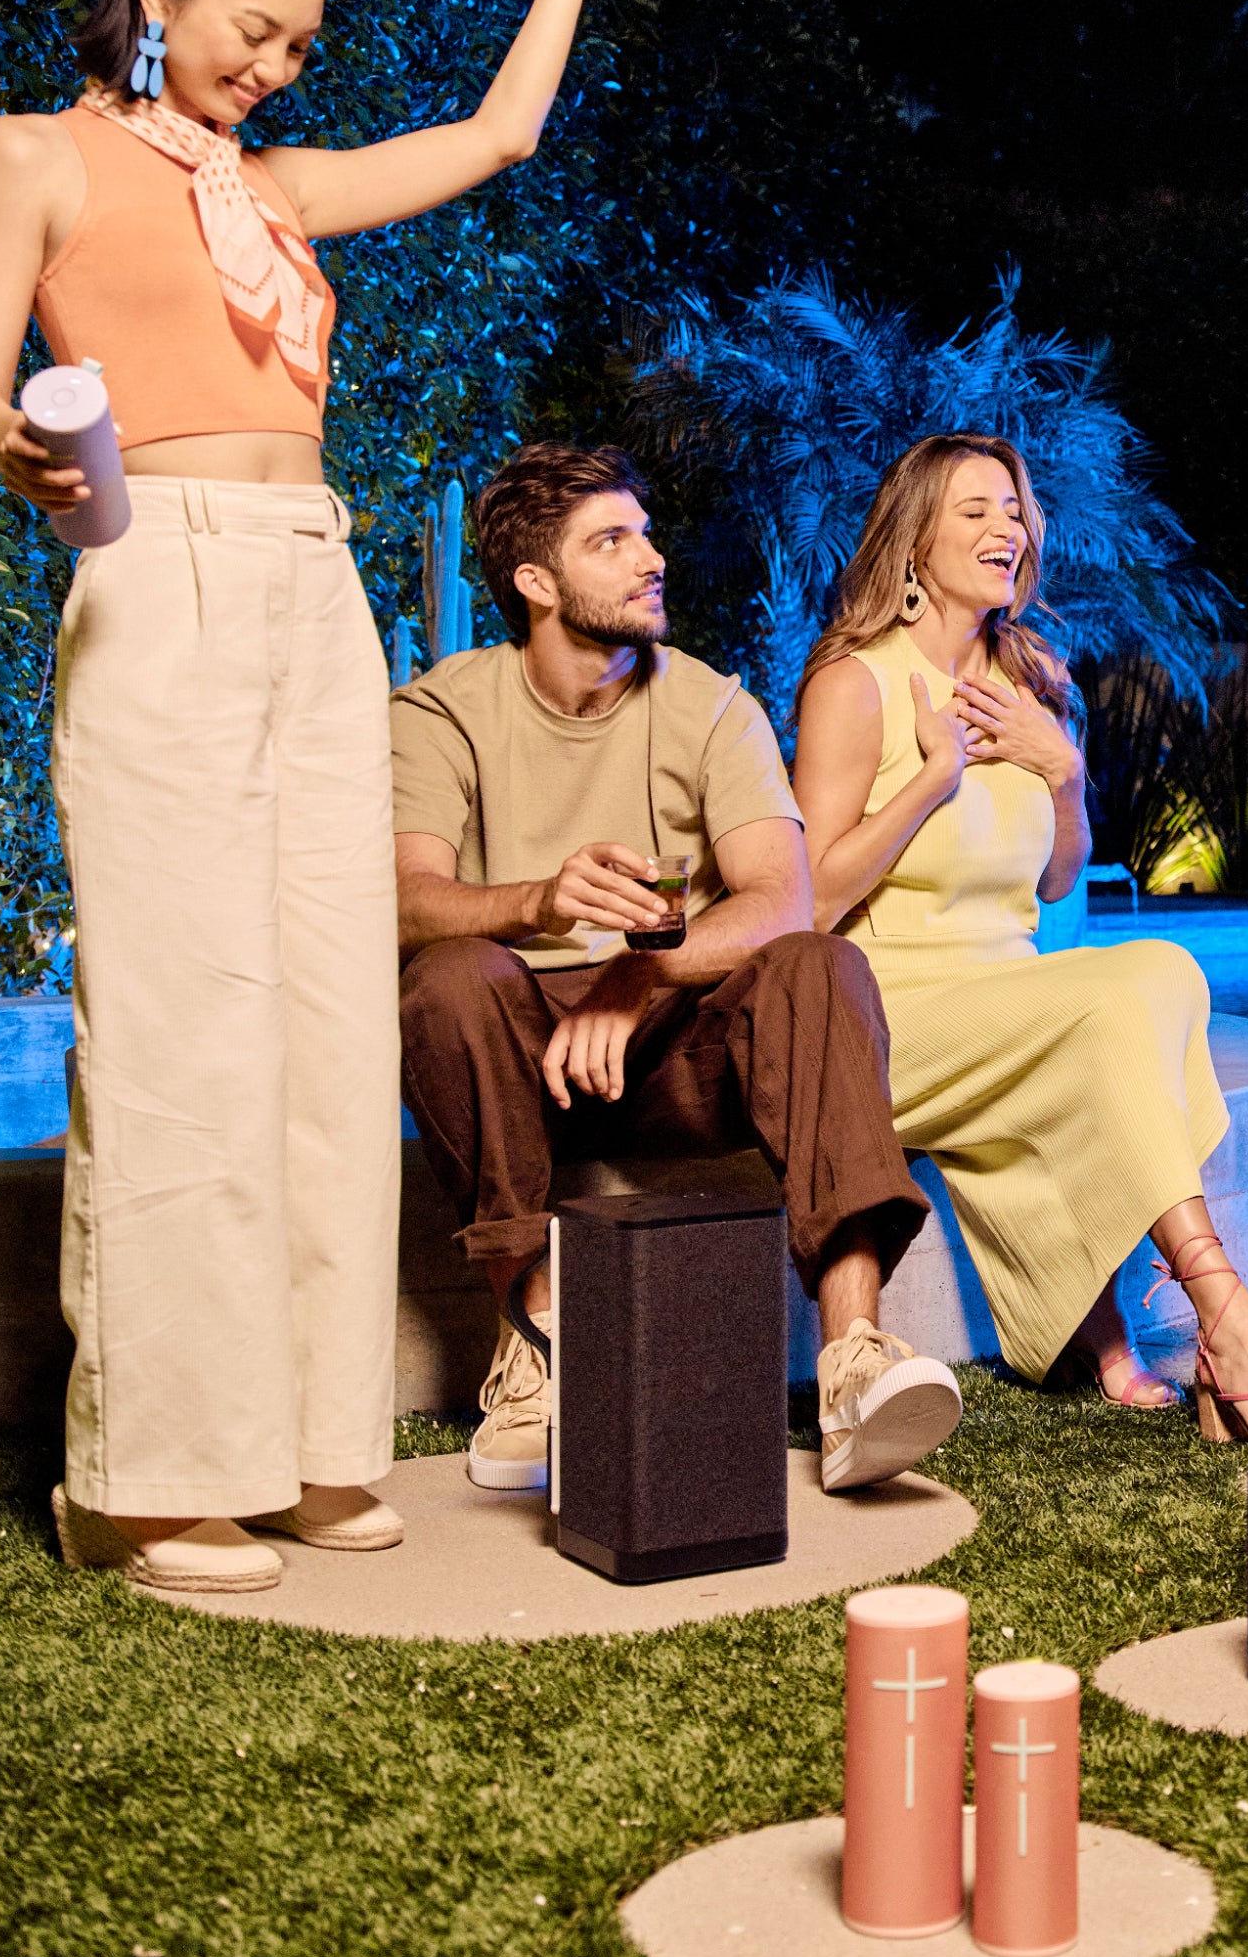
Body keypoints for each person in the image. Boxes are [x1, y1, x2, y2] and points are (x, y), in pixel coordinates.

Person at [0, 0, 648, 1590]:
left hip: (313, 583)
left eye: (302, 46)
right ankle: (142, 1486)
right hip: (155, 569)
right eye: (252, 30)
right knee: (183, 1025)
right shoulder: (28, 156)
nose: (275, 66)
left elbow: (500, 134)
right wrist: (15, 448)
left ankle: (307, 1449)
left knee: (329, 1022)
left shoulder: (279, 189)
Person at [393, 444, 953, 1494]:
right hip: (512, 1049)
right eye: (610, 542)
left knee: (819, 964)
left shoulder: (709, 704)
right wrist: (539, 901)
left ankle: (855, 1365)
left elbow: (780, 897)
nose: (650, 559)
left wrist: (638, 979)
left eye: (644, 535)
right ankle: (534, 1353)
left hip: (672, 1045)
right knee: (449, 976)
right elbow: (403, 900)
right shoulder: (443, 710)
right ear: (535, 582)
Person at [790, 435, 1248, 1445]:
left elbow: (1054, 878)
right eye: (974, 511)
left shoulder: (1027, 676)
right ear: (913, 542)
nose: (1007, 529)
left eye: (1014, 511)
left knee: (1165, 969)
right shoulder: (855, 684)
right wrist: (930, 781)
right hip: (887, 1017)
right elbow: (807, 902)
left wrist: (1062, 769)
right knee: (1110, 1004)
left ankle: (1139, 1318)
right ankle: (1221, 1309)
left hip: (1009, 999)